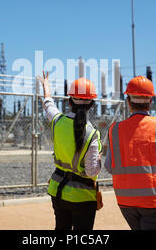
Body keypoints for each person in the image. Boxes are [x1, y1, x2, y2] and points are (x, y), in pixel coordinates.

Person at [104, 75, 156, 230]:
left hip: (126, 201)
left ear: (128, 102)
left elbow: (109, 166)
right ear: (151, 101)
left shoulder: (114, 130)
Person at [37, 71, 103, 230]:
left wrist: (46, 86)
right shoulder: (92, 133)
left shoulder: (57, 121)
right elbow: (91, 171)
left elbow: (48, 104)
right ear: (91, 104)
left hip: (57, 190)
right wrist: (100, 156)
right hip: (82, 196)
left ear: (69, 101)